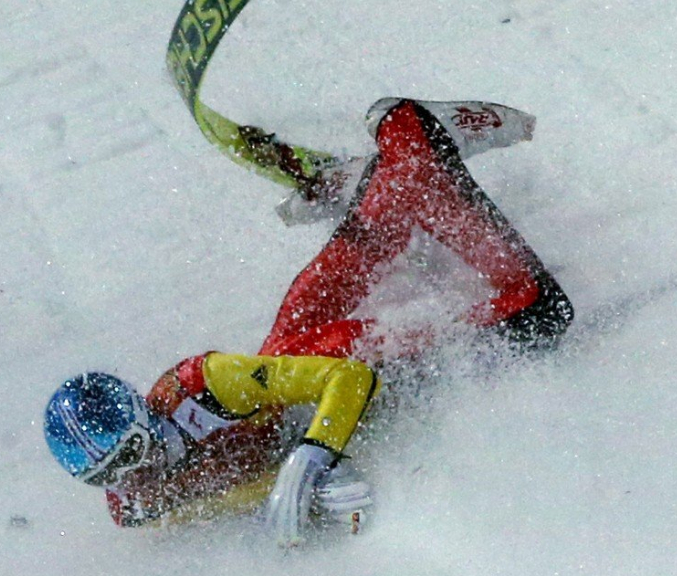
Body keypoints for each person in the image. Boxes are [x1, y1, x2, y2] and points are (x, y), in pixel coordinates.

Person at [43, 99, 573, 546]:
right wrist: (301, 477)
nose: (129, 477)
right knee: (367, 248)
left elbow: (346, 379)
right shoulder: (135, 506)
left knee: (537, 316)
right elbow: (231, 491)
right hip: (292, 363)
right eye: (102, 477)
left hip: (315, 361)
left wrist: (314, 454)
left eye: (130, 454)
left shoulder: (207, 388)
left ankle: (409, 137)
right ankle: (374, 185)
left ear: (143, 417)